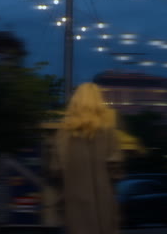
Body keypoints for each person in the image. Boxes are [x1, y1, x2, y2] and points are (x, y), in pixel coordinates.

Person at [49, 82, 124, 234]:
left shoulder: (63, 133)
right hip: (103, 203)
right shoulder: (109, 130)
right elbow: (115, 168)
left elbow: (56, 170)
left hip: (74, 203)